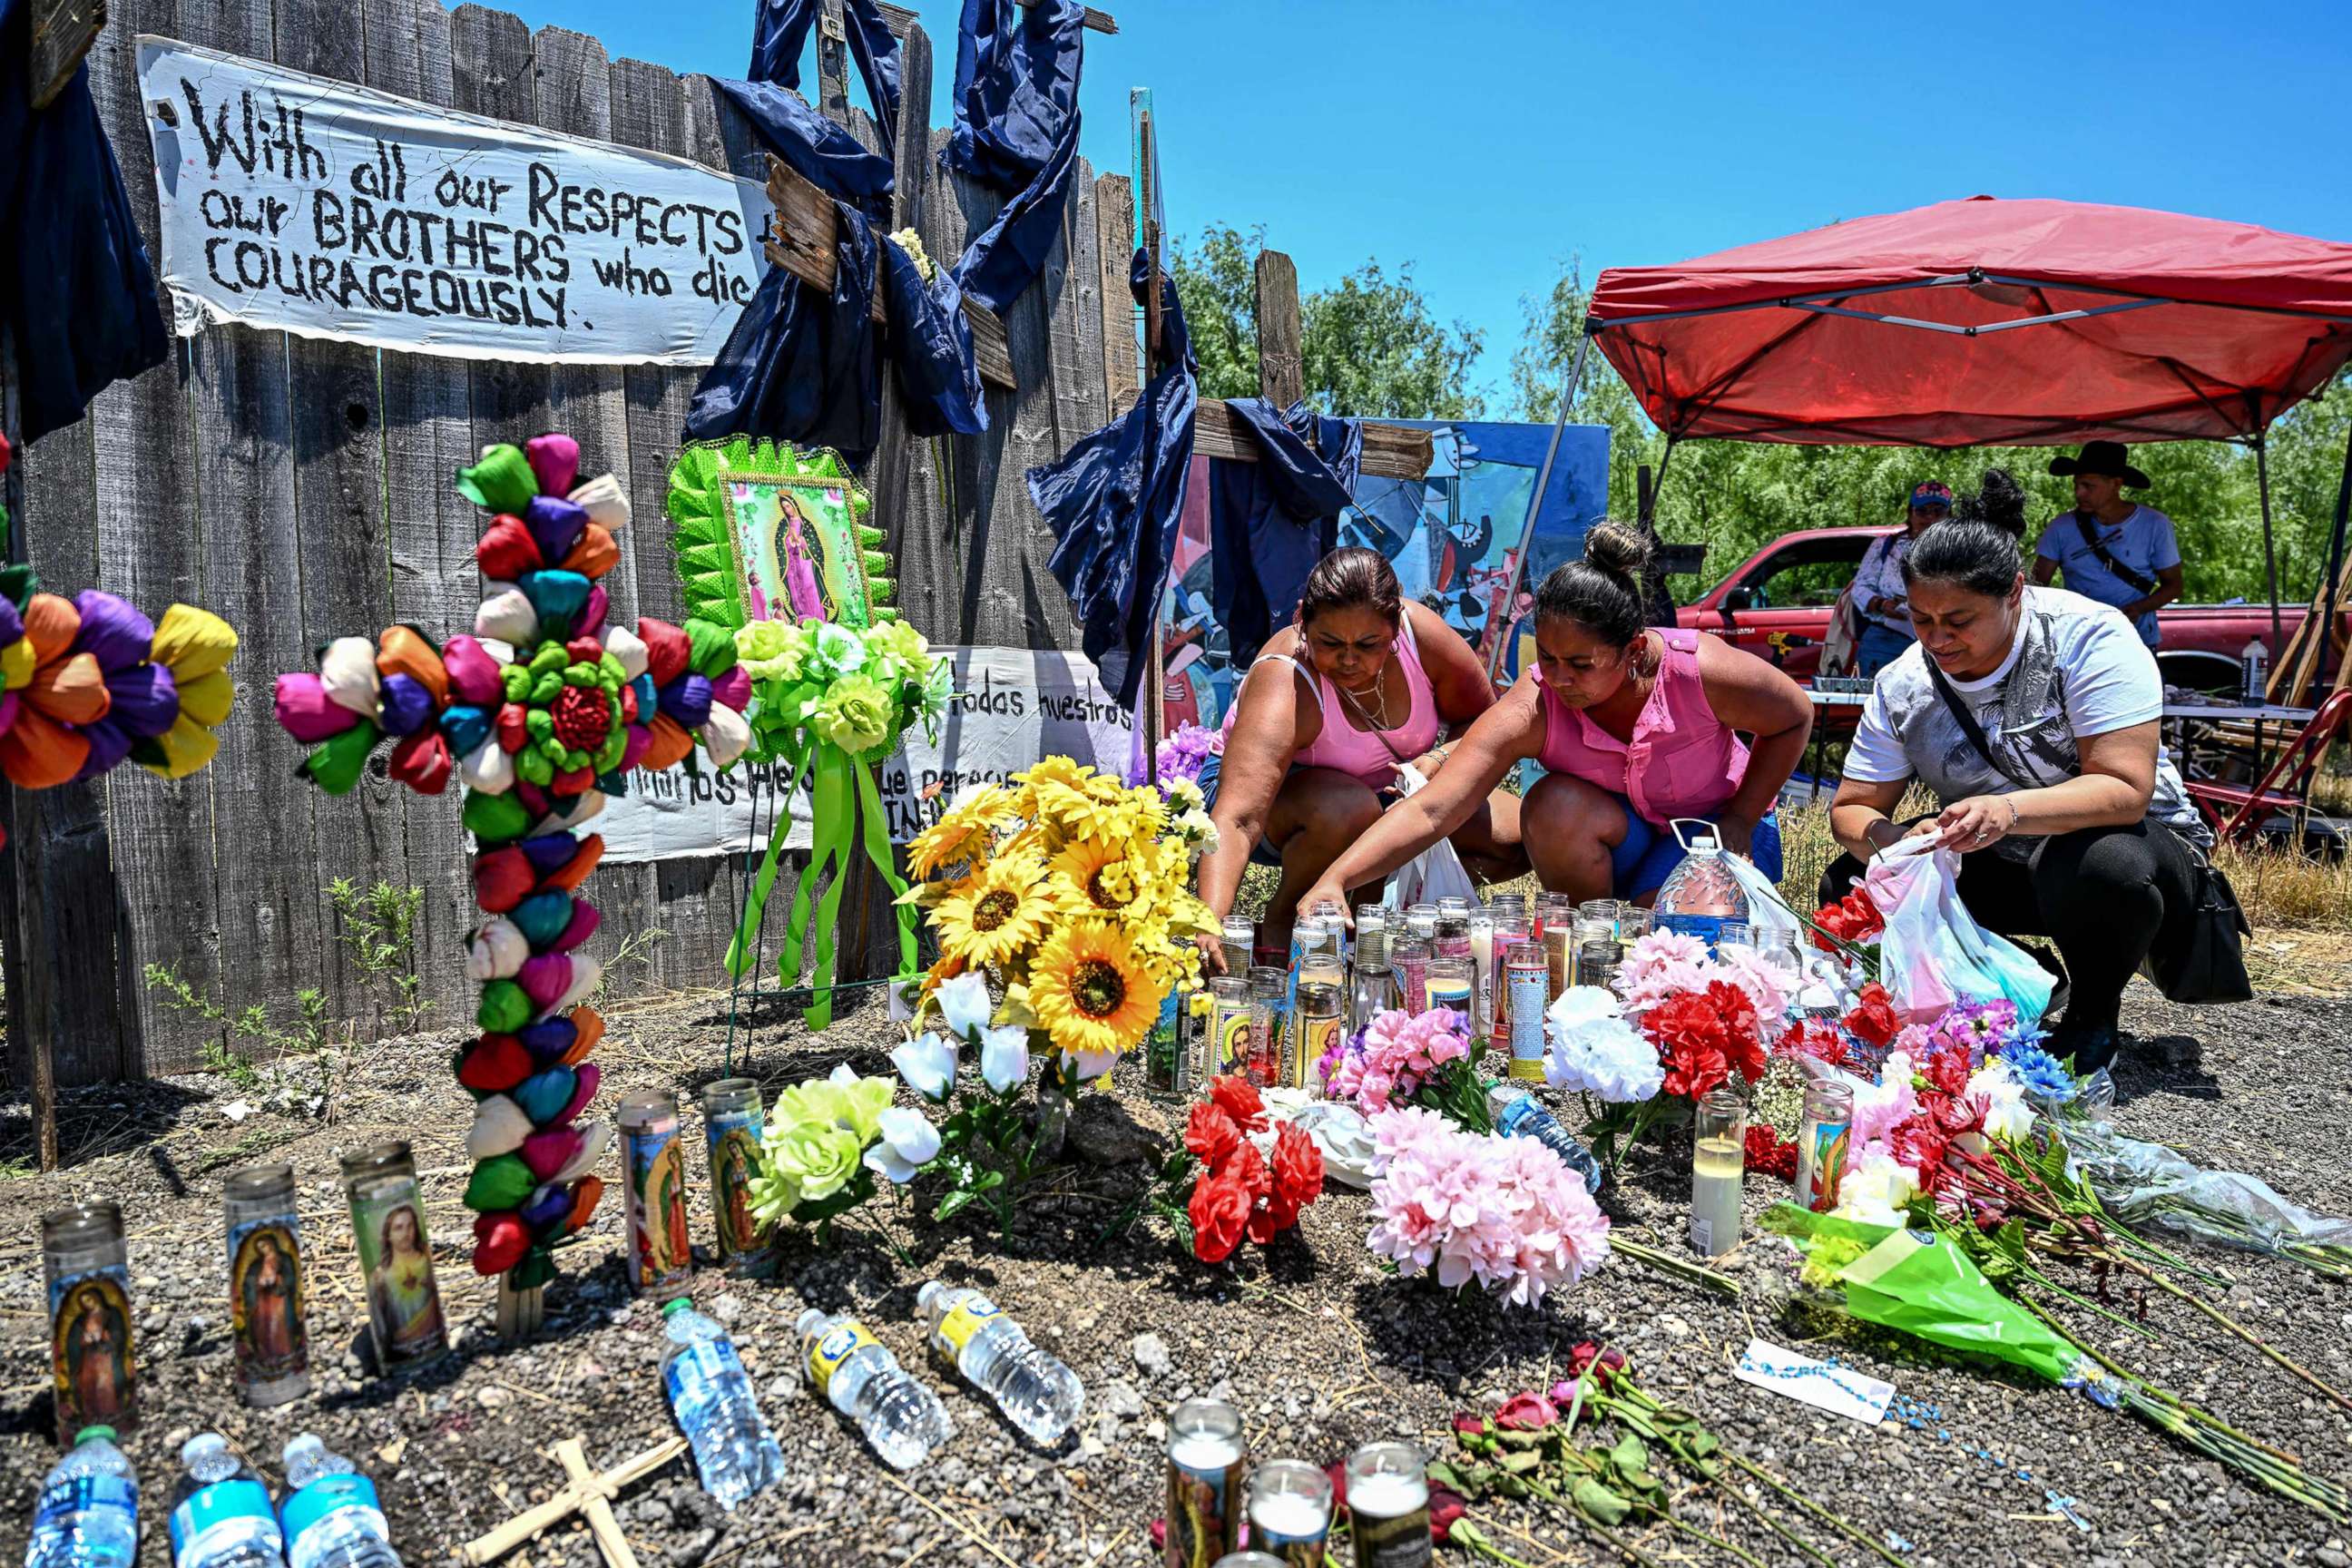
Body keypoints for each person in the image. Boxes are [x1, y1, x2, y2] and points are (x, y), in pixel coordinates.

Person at [1823, 469, 2210, 1071]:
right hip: (2008, 858)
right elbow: (1852, 808)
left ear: (2015, 593)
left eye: (1959, 621)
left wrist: (2006, 810)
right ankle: (2022, 979)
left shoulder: (2089, 638)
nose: (1938, 640)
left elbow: (2124, 791)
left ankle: (2092, 1014)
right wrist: (1892, 838)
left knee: (2094, 863)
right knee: (1856, 877)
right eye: (1923, 620)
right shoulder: (1902, 683)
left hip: (2137, 861)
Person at [1297, 524, 1813, 916]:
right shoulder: (1536, 703)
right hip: (1621, 838)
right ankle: (1595, 937)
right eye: (1547, 657)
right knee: (1552, 805)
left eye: (1581, 664)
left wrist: (1741, 817)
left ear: (1633, 650)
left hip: (1717, 831)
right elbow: (1436, 809)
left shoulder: (1701, 671)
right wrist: (1336, 880)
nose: (1560, 679)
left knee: (1676, 945)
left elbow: (1794, 716)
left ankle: (1638, 927)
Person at [1195, 547, 1524, 965]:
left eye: (1369, 644)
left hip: (1389, 796)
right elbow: (1240, 816)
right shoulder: (1285, 678)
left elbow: (1484, 724)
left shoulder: (1421, 636)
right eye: (1329, 643)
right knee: (1348, 808)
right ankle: (1283, 919)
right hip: (1280, 804)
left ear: (1395, 627)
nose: (1349, 659)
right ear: (1302, 621)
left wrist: (1439, 759)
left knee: (1516, 836)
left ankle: (1376, 910)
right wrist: (1208, 919)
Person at [2029, 441, 2182, 647]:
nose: (2078, 493)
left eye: (2088, 486)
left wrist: (2138, 608)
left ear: (2116, 484)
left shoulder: (2155, 524)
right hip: (2078, 642)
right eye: (2076, 485)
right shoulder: (2061, 527)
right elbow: (2036, 587)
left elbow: (2174, 586)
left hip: (2136, 641)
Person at [1848, 482, 1953, 678]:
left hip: (1942, 639)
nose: (1930, 518)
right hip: (1886, 638)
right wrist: (1881, 604)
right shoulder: (1885, 545)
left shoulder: (1959, 549)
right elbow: (1860, 587)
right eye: (1922, 511)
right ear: (1910, 513)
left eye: (1938, 511)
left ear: (1949, 514)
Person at [368, 1202, 444, 1358]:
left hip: (433, 1342)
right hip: (400, 1348)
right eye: (398, 1228)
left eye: (410, 1226)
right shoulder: (381, 1276)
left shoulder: (424, 1262)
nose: (406, 1233)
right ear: (388, 1235)